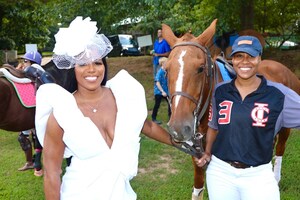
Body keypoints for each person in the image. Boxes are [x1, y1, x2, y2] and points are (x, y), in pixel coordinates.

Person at [35, 16, 174, 200]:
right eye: (83, 63)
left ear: (104, 65)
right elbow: (52, 173)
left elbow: (146, 126)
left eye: (97, 62)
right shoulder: (62, 110)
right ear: (72, 69)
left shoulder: (123, 94)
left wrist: (181, 144)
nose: (91, 69)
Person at [194, 36, 300, 200]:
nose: (245, 62)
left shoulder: (278, 94)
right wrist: (207, 152)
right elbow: (214, 126)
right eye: (239, 56)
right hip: (220, 173)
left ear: (259, 59)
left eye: (251, 56)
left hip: (258, 174)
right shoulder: (220, 91)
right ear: (233, 60)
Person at [17, 51, 44, 177]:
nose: (24, 64)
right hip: (31, 108)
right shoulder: (32, 71)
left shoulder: (36, 69)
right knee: (24, 136)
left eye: (26, 61)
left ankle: (36, 164)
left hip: (37, 110)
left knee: (37, 137)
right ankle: (30, 162)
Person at [151, 57, 171, 124]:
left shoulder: (167, 72)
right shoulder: (160, 72)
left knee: (170, 104)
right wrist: (162, 91)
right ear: (163, 64)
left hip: (166, 91)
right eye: (166, 63)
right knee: (157, 105)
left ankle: (170, 118)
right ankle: (153, 118)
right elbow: (157, 82)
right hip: (159, 92)